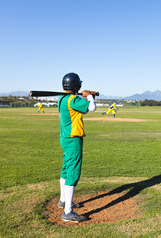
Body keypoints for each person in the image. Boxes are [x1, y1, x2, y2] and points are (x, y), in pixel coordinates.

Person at [58, 72, 96, 222]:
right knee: (73, 172)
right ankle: (68, 212)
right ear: (77, 86)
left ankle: (63, 200)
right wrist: (90, 97)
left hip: (64, 138)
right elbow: (91, 108)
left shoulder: (63, 98)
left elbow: (77, 102)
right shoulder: (73, 100)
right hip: (73, 139)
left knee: (66, 168)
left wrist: (85, 96)